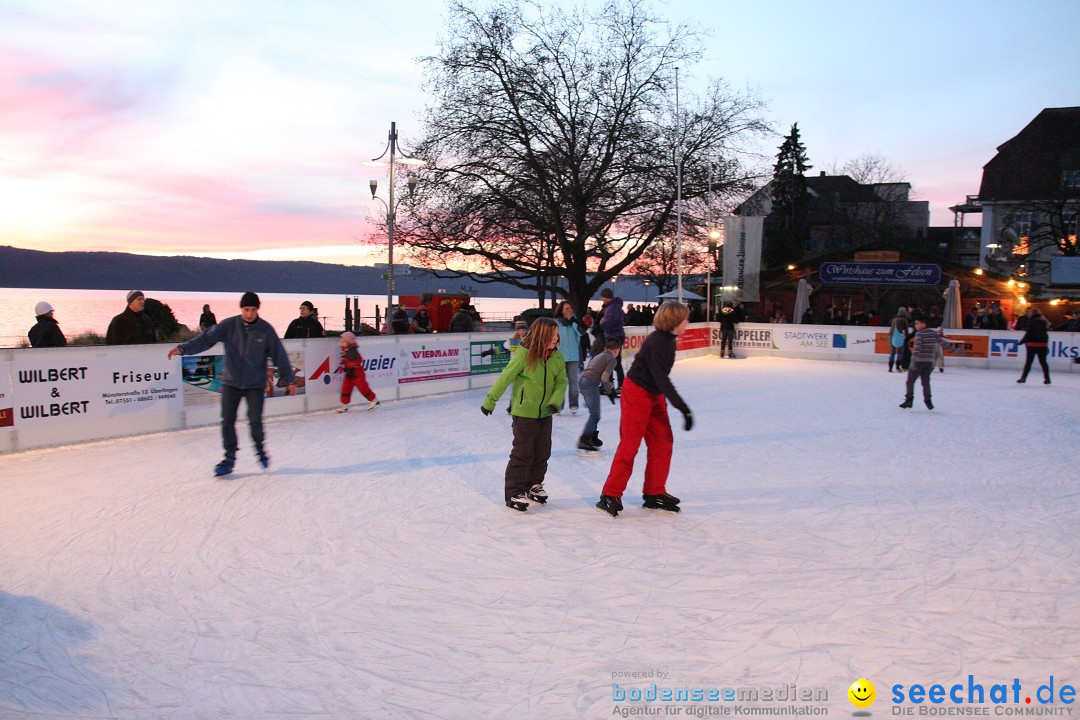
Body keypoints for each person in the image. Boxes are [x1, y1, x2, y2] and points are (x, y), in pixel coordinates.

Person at [168, 291, 297, 477]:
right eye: (246, 309)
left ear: (257, 309)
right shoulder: (229, 325)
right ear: (241, 308)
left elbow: (279, 355)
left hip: (255, 384)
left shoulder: (265, 329)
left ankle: (260, 450)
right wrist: (183, 348)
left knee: (255, 421)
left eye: (253, 310)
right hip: (231, 382)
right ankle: (229, 458)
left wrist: (290, 380)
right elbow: (206, 339)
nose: (249, 314)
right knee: (227, 421)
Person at [596, 301, 693, 518]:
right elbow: (662, 377)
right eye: (685, 318)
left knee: (663, 441)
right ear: (675, 320)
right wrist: (683, 408)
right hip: (638, 393)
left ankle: (654, 492)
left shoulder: (668, 340)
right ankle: (609, 495)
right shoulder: (658, 342)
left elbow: (660, 380)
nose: (688, 321)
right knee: (630, 444)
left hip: (654, 393)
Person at [480, 317, 567, 512]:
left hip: (546, 412)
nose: (556, 338)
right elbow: (506, 377)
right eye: (552, 335)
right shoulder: (524, 354)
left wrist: (556, 400)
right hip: (524, 412)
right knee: (523, 452)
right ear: (542, 335)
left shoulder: (557, 357)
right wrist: (490, 400)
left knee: (542, 451)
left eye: (556, 334)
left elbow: (562, 381)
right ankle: (514, 492)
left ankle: (534, 485)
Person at [900, 317, 960, 410]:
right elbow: (943, 343)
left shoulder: (919, 334)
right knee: (925, 382)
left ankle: (909, 400)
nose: (915, 326)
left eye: (917, 323)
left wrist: (914, 358)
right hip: (929, 362)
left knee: (910, 381)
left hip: (918, 361)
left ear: (923, 324)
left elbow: (918, 348)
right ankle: (928, 401)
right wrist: (954, 350)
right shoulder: (933, 333)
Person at [577, 337, 621, 453]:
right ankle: (585, 439)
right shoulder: (611, 359)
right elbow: (604, 378)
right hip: (590, 384)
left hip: (582, 382)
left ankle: (591, 435)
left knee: (594, 413)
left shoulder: (600, 355)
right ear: (617, 350)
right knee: (595, 415)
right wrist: (610, 391)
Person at [554, 300, 586, 414]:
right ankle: (559, 405)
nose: (568, 310)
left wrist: (572, 321)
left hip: (573, 356)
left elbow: (581, 333)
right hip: (560, 356)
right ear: (561, 311)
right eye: (566, 308)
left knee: (573, 382)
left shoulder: (576, 322)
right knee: (560, 382)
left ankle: (574, 404)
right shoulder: (557, 323)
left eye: (570, 308)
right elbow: (554, 338)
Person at [337, 331, 379, 412]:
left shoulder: (353, 352)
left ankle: (373, 399)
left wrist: (352, 368)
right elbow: (345, 361)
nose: (341, 343)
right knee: (345, 388)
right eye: (341, 341)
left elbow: (357, 361)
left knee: (363, 388)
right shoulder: (345, 350)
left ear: (349, 342)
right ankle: (344, 404)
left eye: (343, 342)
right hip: (349, 373)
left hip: (357, 373)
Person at [598, 288, 626, 390]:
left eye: (602, 296)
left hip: (614, 337)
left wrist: (601, 323)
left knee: (614, 361)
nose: (601, 299)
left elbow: (609, 322)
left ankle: (619, 385)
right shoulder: (612, 306)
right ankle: (610, 384)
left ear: (606, 297)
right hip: (613, 336)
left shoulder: (613, 307)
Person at [1016, 307, 1051, 385]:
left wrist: (1021, 342)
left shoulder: (1031, 322)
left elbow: (1029, 333)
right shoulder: (1044, 321)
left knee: (1029, 362)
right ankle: (1047, 378)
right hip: (1043, 344)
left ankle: (1023, 378)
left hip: (1033, 344)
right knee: (1043, 362)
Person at [887, 307, 910, 373]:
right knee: (900, 352)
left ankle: (890, 368)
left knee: (892, 352)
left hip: (891, 336)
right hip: (899, 337)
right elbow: (906, 331)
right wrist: (908, 338)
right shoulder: (904, 320)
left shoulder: (894, 319)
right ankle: (897, 367)